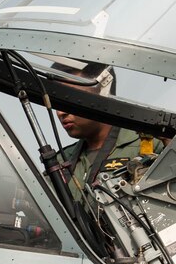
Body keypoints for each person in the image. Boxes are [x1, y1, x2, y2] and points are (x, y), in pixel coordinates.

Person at [52, 63, 160, 207]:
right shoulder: (59, 163)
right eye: (56, 101)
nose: (60, 112)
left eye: (69, 97)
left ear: (103, 94)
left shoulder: (151, 146)